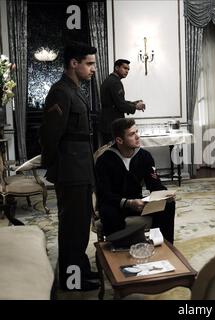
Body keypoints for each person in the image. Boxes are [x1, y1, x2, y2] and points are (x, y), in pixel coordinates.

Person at [40, 42, 99, 291]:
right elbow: (50, 135)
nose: (93, 69)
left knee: (81, 225)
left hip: (81, 167)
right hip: (70, 170)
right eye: (89, 63)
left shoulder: (75, 89)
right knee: (72, 228)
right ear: (74, 63)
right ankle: (71, 280)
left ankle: (81, 270)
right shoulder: (60, 91)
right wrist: (58, 169)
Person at [95, 118, 176, 243]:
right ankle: (117, 249)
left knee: (168, 205)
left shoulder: (144, 156)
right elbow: (104, 194)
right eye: (132, 134)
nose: (138, 136)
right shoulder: (104, 160)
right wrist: (128, 202)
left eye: (137, 132)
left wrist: (165, 195)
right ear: (119, 140)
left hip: (137, 203)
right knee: (108, 212)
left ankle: (165, 244)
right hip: (116, 204)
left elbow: (155, 185)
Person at [100, 59, 146, 145]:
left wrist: (134, 103)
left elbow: (117, 101)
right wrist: (136, 106)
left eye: (128, 69)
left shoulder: (110, 80)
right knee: (114, 152)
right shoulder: (115, 82)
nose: (127, 71)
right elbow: (120, 105)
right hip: (112, 124)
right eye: (125, 68)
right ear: (117, 68)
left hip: (107, 123)